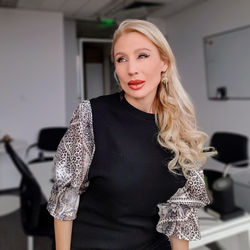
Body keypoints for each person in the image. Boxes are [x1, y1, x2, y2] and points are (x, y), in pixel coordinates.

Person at [47, 19, 217, 250]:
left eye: (142, 55)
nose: (131, 69)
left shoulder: (180, 123)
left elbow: (180, 211)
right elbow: (65, 197)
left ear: (164, 62)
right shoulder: (92, 115)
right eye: (121, 59)